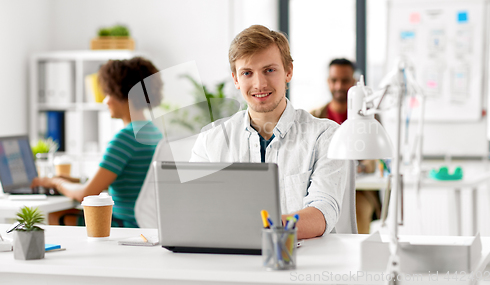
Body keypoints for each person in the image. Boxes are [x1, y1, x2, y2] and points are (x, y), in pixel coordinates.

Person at [190, 25, 347, 240]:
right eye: (247, 73)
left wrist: (259, 226)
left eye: (269, 70)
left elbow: (322, 212)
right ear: (236, 79)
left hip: (301, 262)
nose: (259, 83)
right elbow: (193, 210)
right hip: (230, 261)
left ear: (288, 71)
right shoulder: (211, 141)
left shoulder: (325, 135)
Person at [31, 57, 163, 228]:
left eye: (109, 94)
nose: (105, 101)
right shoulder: (154, 132)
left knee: (57, 215)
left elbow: (86, 194)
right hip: (145, 223)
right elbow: (124, 180)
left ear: (123, 95)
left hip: (124, 224)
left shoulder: (125, 138)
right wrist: (72, 180)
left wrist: (56, 183)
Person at [310, 58, 381, 234]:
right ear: (328, 82)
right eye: (334, 80)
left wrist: (359, 167)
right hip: (323, 186)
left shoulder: (368, 119)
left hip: (360, 191)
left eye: (345, 80)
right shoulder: (315, 117)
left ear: (354, 82)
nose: (339, 86)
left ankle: (358, 258)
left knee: (357, 213)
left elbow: (372, 160)